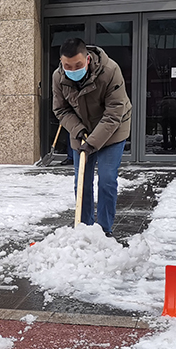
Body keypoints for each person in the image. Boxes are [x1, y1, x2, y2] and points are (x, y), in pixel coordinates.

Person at [52, 38, 132, 236]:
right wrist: (78, 130)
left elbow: (114, 112)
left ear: (87, 59)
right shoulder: (58, 77)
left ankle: (105, 230)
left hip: (113, 129)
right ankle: (84, 229)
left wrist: (92, 143)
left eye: (78, 65)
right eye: (67, 66)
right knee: (82, 181)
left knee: (106, 179)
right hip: (81, 130)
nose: (73, 69)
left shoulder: (110, 70)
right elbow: (61, 109)